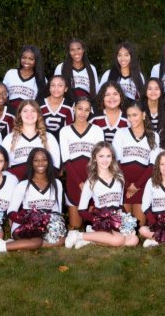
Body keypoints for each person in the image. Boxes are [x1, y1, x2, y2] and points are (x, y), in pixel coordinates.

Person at [0, 148, 66, 255]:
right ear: (31, 163)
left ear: (49, 162)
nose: (40, 163)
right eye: (36, 160)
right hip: (24, 224)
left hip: (47, 223)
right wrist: (28, 221)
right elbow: (11, 212)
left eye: (44, 160)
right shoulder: (23, 185)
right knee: (37, 241)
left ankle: (19, 244)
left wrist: (51, 223)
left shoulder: (57, 183)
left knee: (61, 240)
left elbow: (57, 211)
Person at [65, 142, 140, 248]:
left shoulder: (119, 178)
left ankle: (90, 238)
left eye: (108, 156)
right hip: (101, 221)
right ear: (95, 158)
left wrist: (124, 220)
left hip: (117, 220)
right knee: (118, 240)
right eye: (101, 156)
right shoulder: (91, 182)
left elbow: (119, 204)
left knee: (134, 240)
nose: (105, 160)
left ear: (112, 157)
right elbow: (81, 210)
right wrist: (99, 220)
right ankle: (78, 235)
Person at [59, 97, 105, 231]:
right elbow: (66, 161)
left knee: (93, 224)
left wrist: (89, 182)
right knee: (75, 225)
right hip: (74, 180)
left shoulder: (97, 130)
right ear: (74, 108)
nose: (82, 113)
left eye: (86, 110)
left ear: (90, 111)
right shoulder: (65, 131)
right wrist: (79, 182)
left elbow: (100, 160)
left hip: (92, 179)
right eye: (79, 109)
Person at [112, 101, 160, 226]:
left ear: (143, 115)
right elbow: (115, 163)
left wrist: (136, 186)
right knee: (124, 226)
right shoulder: (120, 133)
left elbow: (153, 165)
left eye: (135, 115)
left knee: (138, 226)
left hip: (142, 184)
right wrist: (127, 185)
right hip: (123, 183)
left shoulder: (153, 136)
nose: (131, 119)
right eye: (128, 115)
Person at [1, 100, 60, 180]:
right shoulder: (9, 138)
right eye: (25, 111)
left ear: (38, 114)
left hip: (42, 184)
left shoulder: (49, 138)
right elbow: (2, 166)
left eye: (33, 111)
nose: (29, 114)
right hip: (15, 184)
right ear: (19, 114)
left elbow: (55, 166)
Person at [2, 45, 47, 109]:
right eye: (24, 57)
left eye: (31, 59)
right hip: (10, 111)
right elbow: (3, 94)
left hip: (29, 114)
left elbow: (42, 101)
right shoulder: (11, 73)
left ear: (36, 60)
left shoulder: (41, 79)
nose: (26, 61)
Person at [38, 75, 74, 140]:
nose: (56, 88)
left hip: (61, 143)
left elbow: (69, 131)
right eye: (53, 85)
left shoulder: (69, 107)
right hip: (41, 141)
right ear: (49, 88)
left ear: (66, 89)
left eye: (60, 85)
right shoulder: (40, 105)